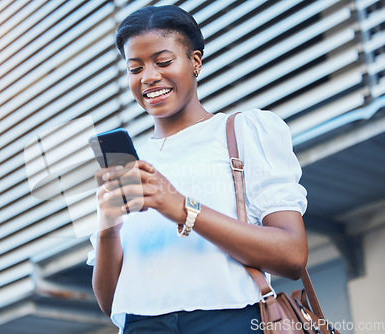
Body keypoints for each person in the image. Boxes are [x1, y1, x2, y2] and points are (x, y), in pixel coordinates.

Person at [87, 5, 308, 333]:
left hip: (229, 322)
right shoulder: (133, 162)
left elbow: (291, 255)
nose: (148, 77)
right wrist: (108, 228)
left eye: (163, 62)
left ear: (195, 62)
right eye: (135, 68)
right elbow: (110, 302)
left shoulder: (243, 131)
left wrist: (180, 207)